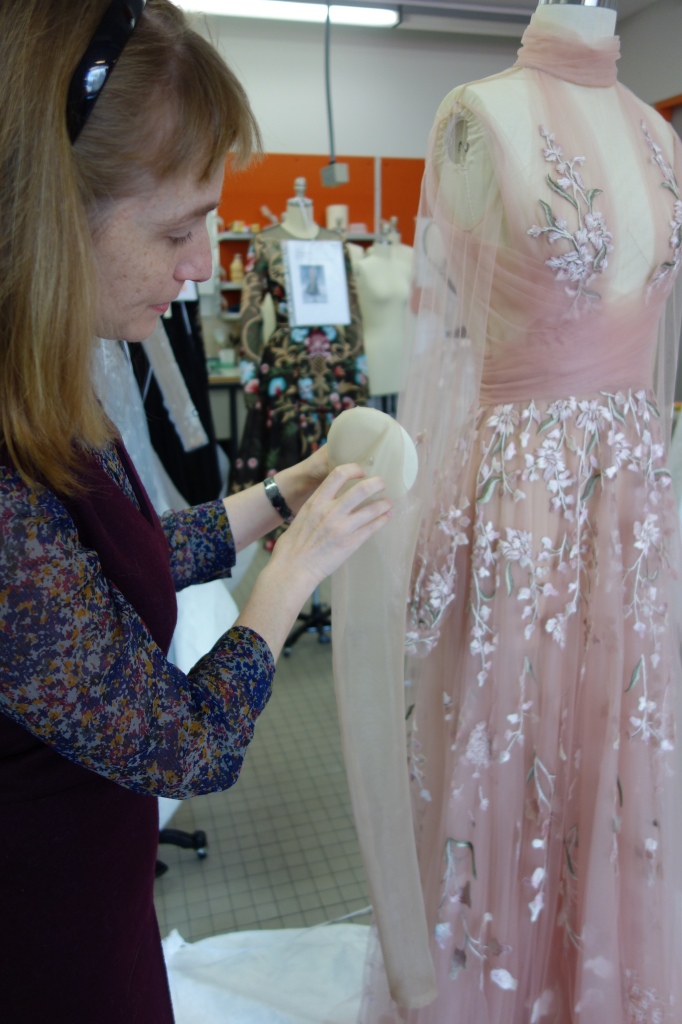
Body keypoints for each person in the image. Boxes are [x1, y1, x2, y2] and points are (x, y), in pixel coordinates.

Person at [0, 3, 391, 1021]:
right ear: (46, 215)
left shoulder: (49, 386)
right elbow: (183, 742)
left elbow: (116, 557)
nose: (204, 263)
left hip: (99, 897)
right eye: (178, 229)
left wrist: (277, 495)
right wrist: (293, 569)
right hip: (42, 940)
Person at [350, 2, 682, 1022]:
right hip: (523, 500)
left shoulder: (656, 131)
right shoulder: (474, 116)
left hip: (629, 495)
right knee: (512, 765)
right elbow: (443, 340)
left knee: (617, 765)